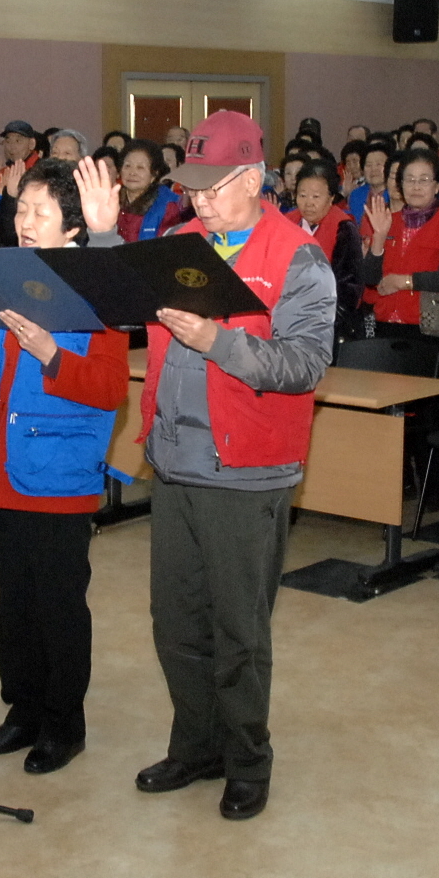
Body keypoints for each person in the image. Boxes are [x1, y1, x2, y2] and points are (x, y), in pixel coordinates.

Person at [134, 110, 334, 821]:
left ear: (253, 179)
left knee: (238, 630)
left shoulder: (297, 256)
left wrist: (218, 341)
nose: (200, 200)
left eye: (213, 186)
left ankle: (248, 759)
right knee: (175, 621)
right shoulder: (177, 244)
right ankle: (196, 745)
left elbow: (304, 364)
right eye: (191, 187)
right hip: (175, 461)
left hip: (246, 469)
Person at [0, 157, 129, 774]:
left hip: (57, 471)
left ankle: (64, 724)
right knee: (15, 598)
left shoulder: (97, 286)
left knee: (58, 603)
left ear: (72, 226)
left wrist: (51, 354)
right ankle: (22, 710)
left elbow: (110, 388)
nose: (24, 221)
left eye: (40, 212)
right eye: (21, 208)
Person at [360, 147, 439, 348]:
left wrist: (404, 282)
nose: (416, 186)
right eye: (409, 180)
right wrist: (379, 238)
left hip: (433, 325)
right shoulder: (387, 220)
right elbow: (370, 278)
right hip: (386, 322)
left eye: (424, 180)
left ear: (437, 186)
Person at [287, 160, 364, 338]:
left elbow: (349, 287)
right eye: (302, 195)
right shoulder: (286, 222)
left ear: (331, 198)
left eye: (316, 197)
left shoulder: (343, 228)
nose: (308, 203)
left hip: (327, 324)